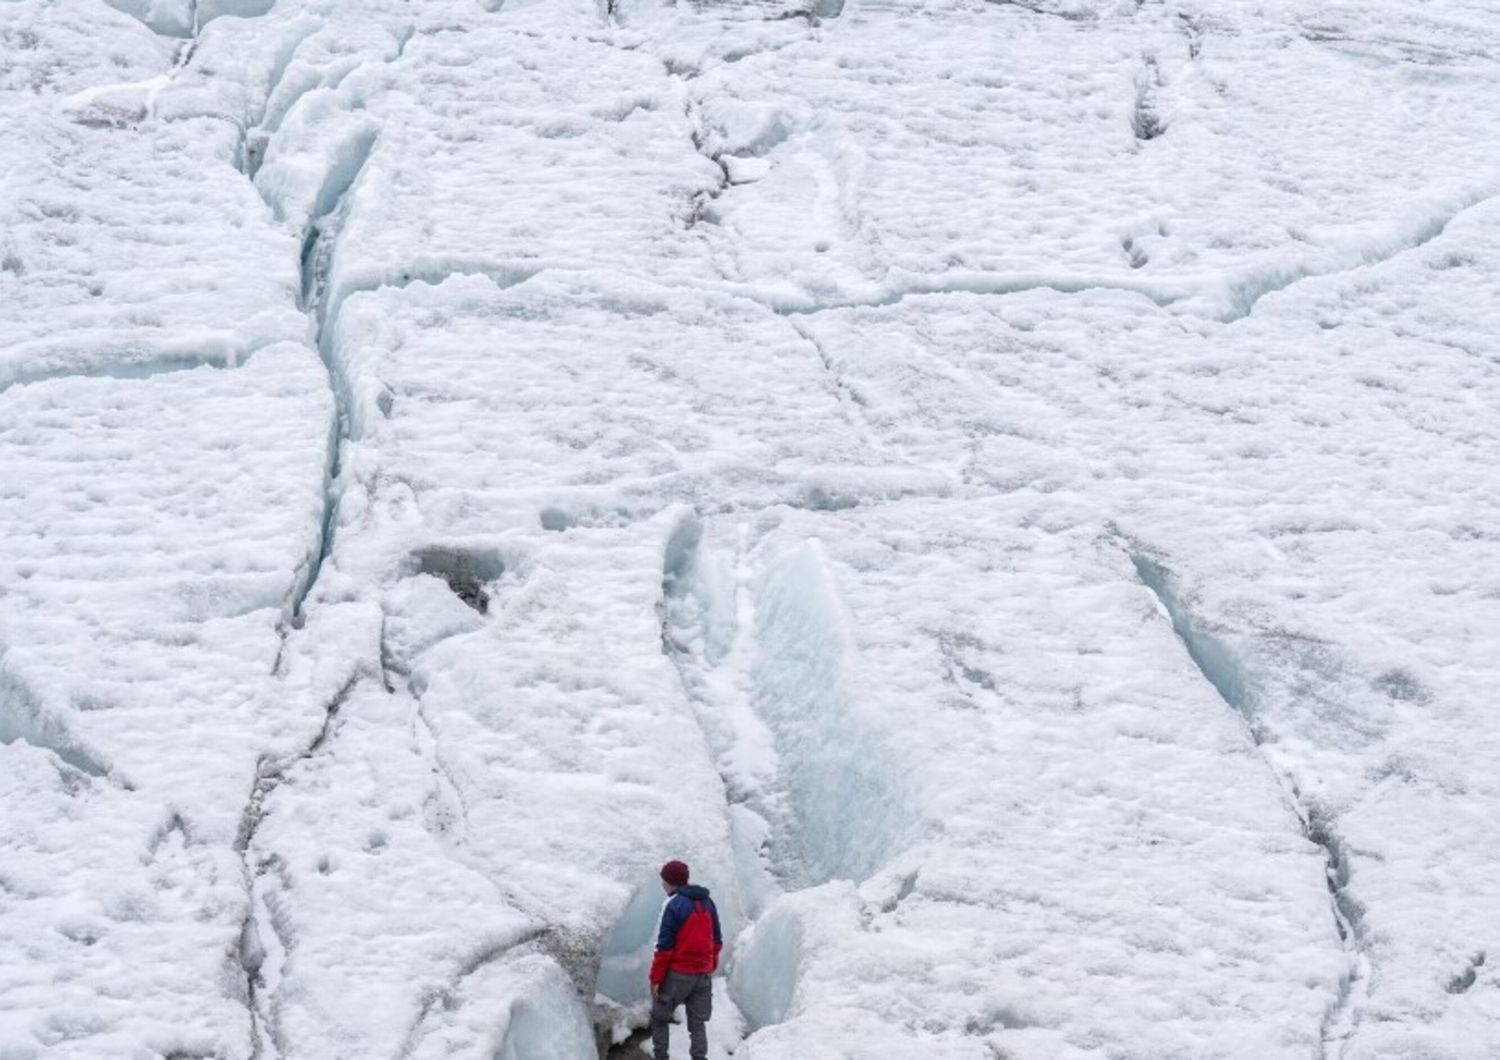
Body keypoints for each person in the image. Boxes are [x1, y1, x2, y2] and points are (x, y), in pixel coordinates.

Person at [649, 859, 722, 1060]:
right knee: (697, 1024)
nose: (662, 883)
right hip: (703, 975)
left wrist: (655, 979)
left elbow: (664, 948)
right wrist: (709, 967)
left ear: (670, 881)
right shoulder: (708, 902)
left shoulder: (673, 905)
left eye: (663, 879)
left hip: (678, 975)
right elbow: (716, 941)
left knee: (659, 1018)